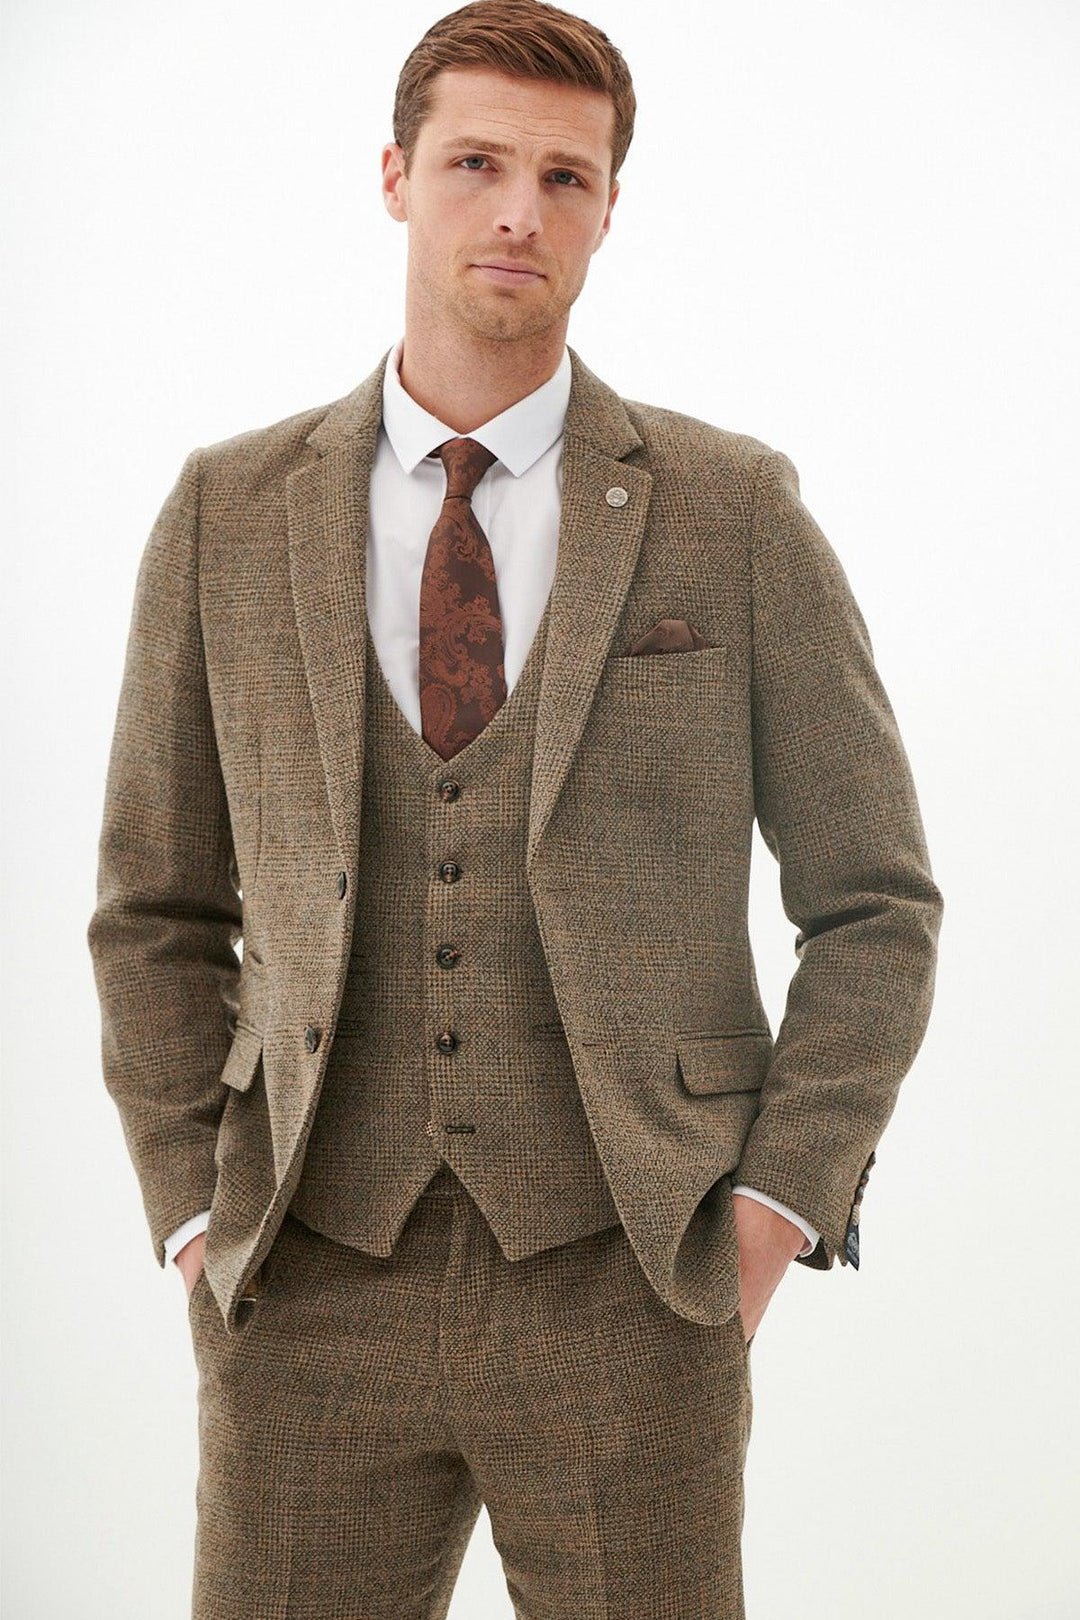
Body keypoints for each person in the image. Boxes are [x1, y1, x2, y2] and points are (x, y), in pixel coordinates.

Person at [87, 2, 943, 1613]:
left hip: (636, 1284)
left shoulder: (730, 509)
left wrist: (771, 1212)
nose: (517, 212)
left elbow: (876, 903)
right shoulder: (227, 510)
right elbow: (154, 907)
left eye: (566, 177)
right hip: (306, 1286)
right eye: (476, 163)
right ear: (395, 177)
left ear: (610, 209)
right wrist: (197, 1217)